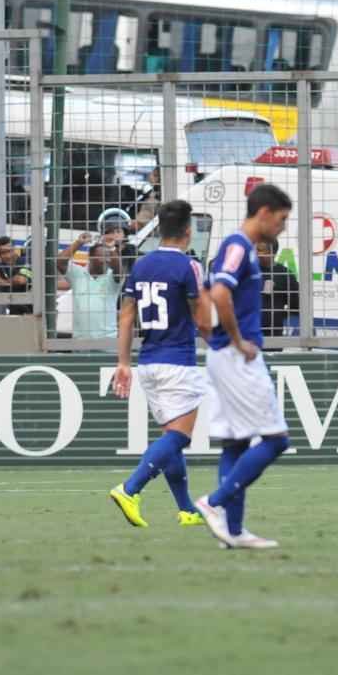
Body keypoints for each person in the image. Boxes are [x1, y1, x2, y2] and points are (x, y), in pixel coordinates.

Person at [194, 184, 294, 550]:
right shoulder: (238, 246)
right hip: (236, 356)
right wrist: (237, 340)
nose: (283, 228)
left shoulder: (241, 248)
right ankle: (214, 502)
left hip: (224, 355)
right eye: (282, 219)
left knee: (235, 443)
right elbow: (219, 293)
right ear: (264, 212)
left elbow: (209, 295)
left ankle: (233, 533)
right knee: (276, 439)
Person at [108, 200, 213, 528]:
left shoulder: (140, 266)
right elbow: (201, 318)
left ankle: (186, 510)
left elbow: (126, 317)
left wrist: (123, 362)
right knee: (179, 438)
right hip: (177, 363)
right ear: (187, 231)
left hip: (148, 362)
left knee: (171, 438)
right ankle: (130, 489)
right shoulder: (189, 267)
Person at [57, 232, 122, 340]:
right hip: (81, 343)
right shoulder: (78, 274)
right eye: (101, 256)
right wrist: (79, 243)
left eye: (108, 257)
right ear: (90, 257)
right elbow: (60, 262)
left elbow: (118, 269)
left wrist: (111, 249)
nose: (106, 260)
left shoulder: (112, 277)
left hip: (108, 344)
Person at [258, 237, 299, 340]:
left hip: (272, 333)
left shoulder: (284, 275)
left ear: (273, 252)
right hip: (245, 333)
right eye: (254, 249)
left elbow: (297, 305)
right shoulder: (246, 271)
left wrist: (278, 314)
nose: (256, 253)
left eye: (260, 250)